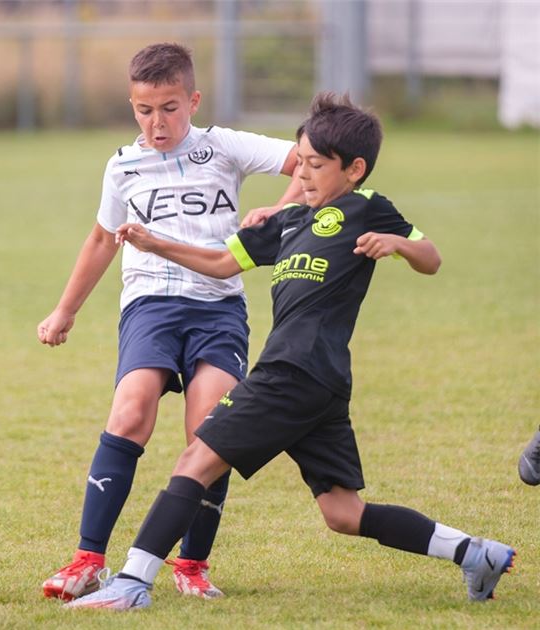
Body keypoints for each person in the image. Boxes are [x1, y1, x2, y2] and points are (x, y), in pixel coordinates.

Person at [65, 92, 516, 610]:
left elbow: (431, 258)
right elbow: (219, 264)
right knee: (342, 513)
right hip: (318, 385)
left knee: (195, 459)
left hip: (292, 373)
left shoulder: (370, 210)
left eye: (315, 166)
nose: (300, 175)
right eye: (299, 162)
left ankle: (131, 584)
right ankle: (474, 552)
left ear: (355, 169)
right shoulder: (288, 222)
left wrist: (399, 245)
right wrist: (155, 243)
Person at [36, 42, 303, 601]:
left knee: (210, 431)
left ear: (193, 100)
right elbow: (100, 239)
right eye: (143, 109)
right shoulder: (123, 164)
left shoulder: (223, 145)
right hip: (151, 305)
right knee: (131, 411)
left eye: (169, 108)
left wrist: (277, 212)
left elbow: (308, 158)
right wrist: (65, 309)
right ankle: (88, 559)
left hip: (218, 308)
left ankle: (192, 565)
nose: (157, 123)